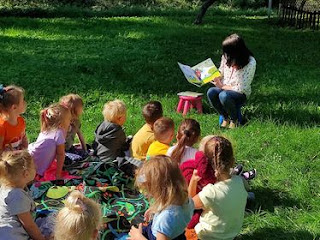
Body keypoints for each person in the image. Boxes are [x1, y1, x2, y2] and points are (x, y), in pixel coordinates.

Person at [188, 136, 248, 240]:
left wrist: (193, 180)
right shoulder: (239, 181)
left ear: (206, 163)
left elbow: (188, 204)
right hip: (231, 235)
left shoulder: (211, 192)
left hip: (206, 236)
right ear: (232, 161)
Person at [129, 155, 194, 240]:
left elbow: (167, 220)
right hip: (176, 234)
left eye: (149, 190)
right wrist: (155, 209)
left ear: (159, 189)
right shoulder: (186, 199)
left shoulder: (166, 218)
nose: (148, 193)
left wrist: (138, 237)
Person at [207, 33, 256, 128]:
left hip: (240, 92)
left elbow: (241, 88)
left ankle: (235, 119)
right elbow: (221, 71)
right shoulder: (226, 57)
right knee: (211, 92)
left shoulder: (250, 62)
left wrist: (221, 86)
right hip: (224, 87)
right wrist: (214, 76)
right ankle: (225, 117)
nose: (225, 54)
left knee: (223, 95)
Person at [0, 150, 46, 240]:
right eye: (33, 167)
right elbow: (29, 226)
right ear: (26, 174)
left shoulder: (6, 186)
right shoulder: (17, 196)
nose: (36, 168)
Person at [28, 103, 71, 180]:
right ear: (61, 123)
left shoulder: (46, 129)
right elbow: (60, 155)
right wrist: (58, 174)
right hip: (37, 167)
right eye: (69, 119)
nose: (70, 122)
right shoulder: (59, 133)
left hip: (31, 158)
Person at [0, 85, 28, 152]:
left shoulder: (21, 120)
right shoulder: (2, 127)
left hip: (18, 156)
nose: (25, 103)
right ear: (14, 107)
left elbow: (23, 137)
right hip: (7, 160)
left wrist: (25, 145)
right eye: (22, 100)